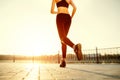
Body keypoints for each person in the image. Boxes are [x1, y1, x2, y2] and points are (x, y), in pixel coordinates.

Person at [51, 0, 83, 67]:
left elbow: (51, 11)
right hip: (68, 18)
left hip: (60, 16)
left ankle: (75, 47)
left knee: (62, 38)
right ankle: (63, 61)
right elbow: (75, 8)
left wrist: (58, 11)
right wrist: (71, 16)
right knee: (63, 39)